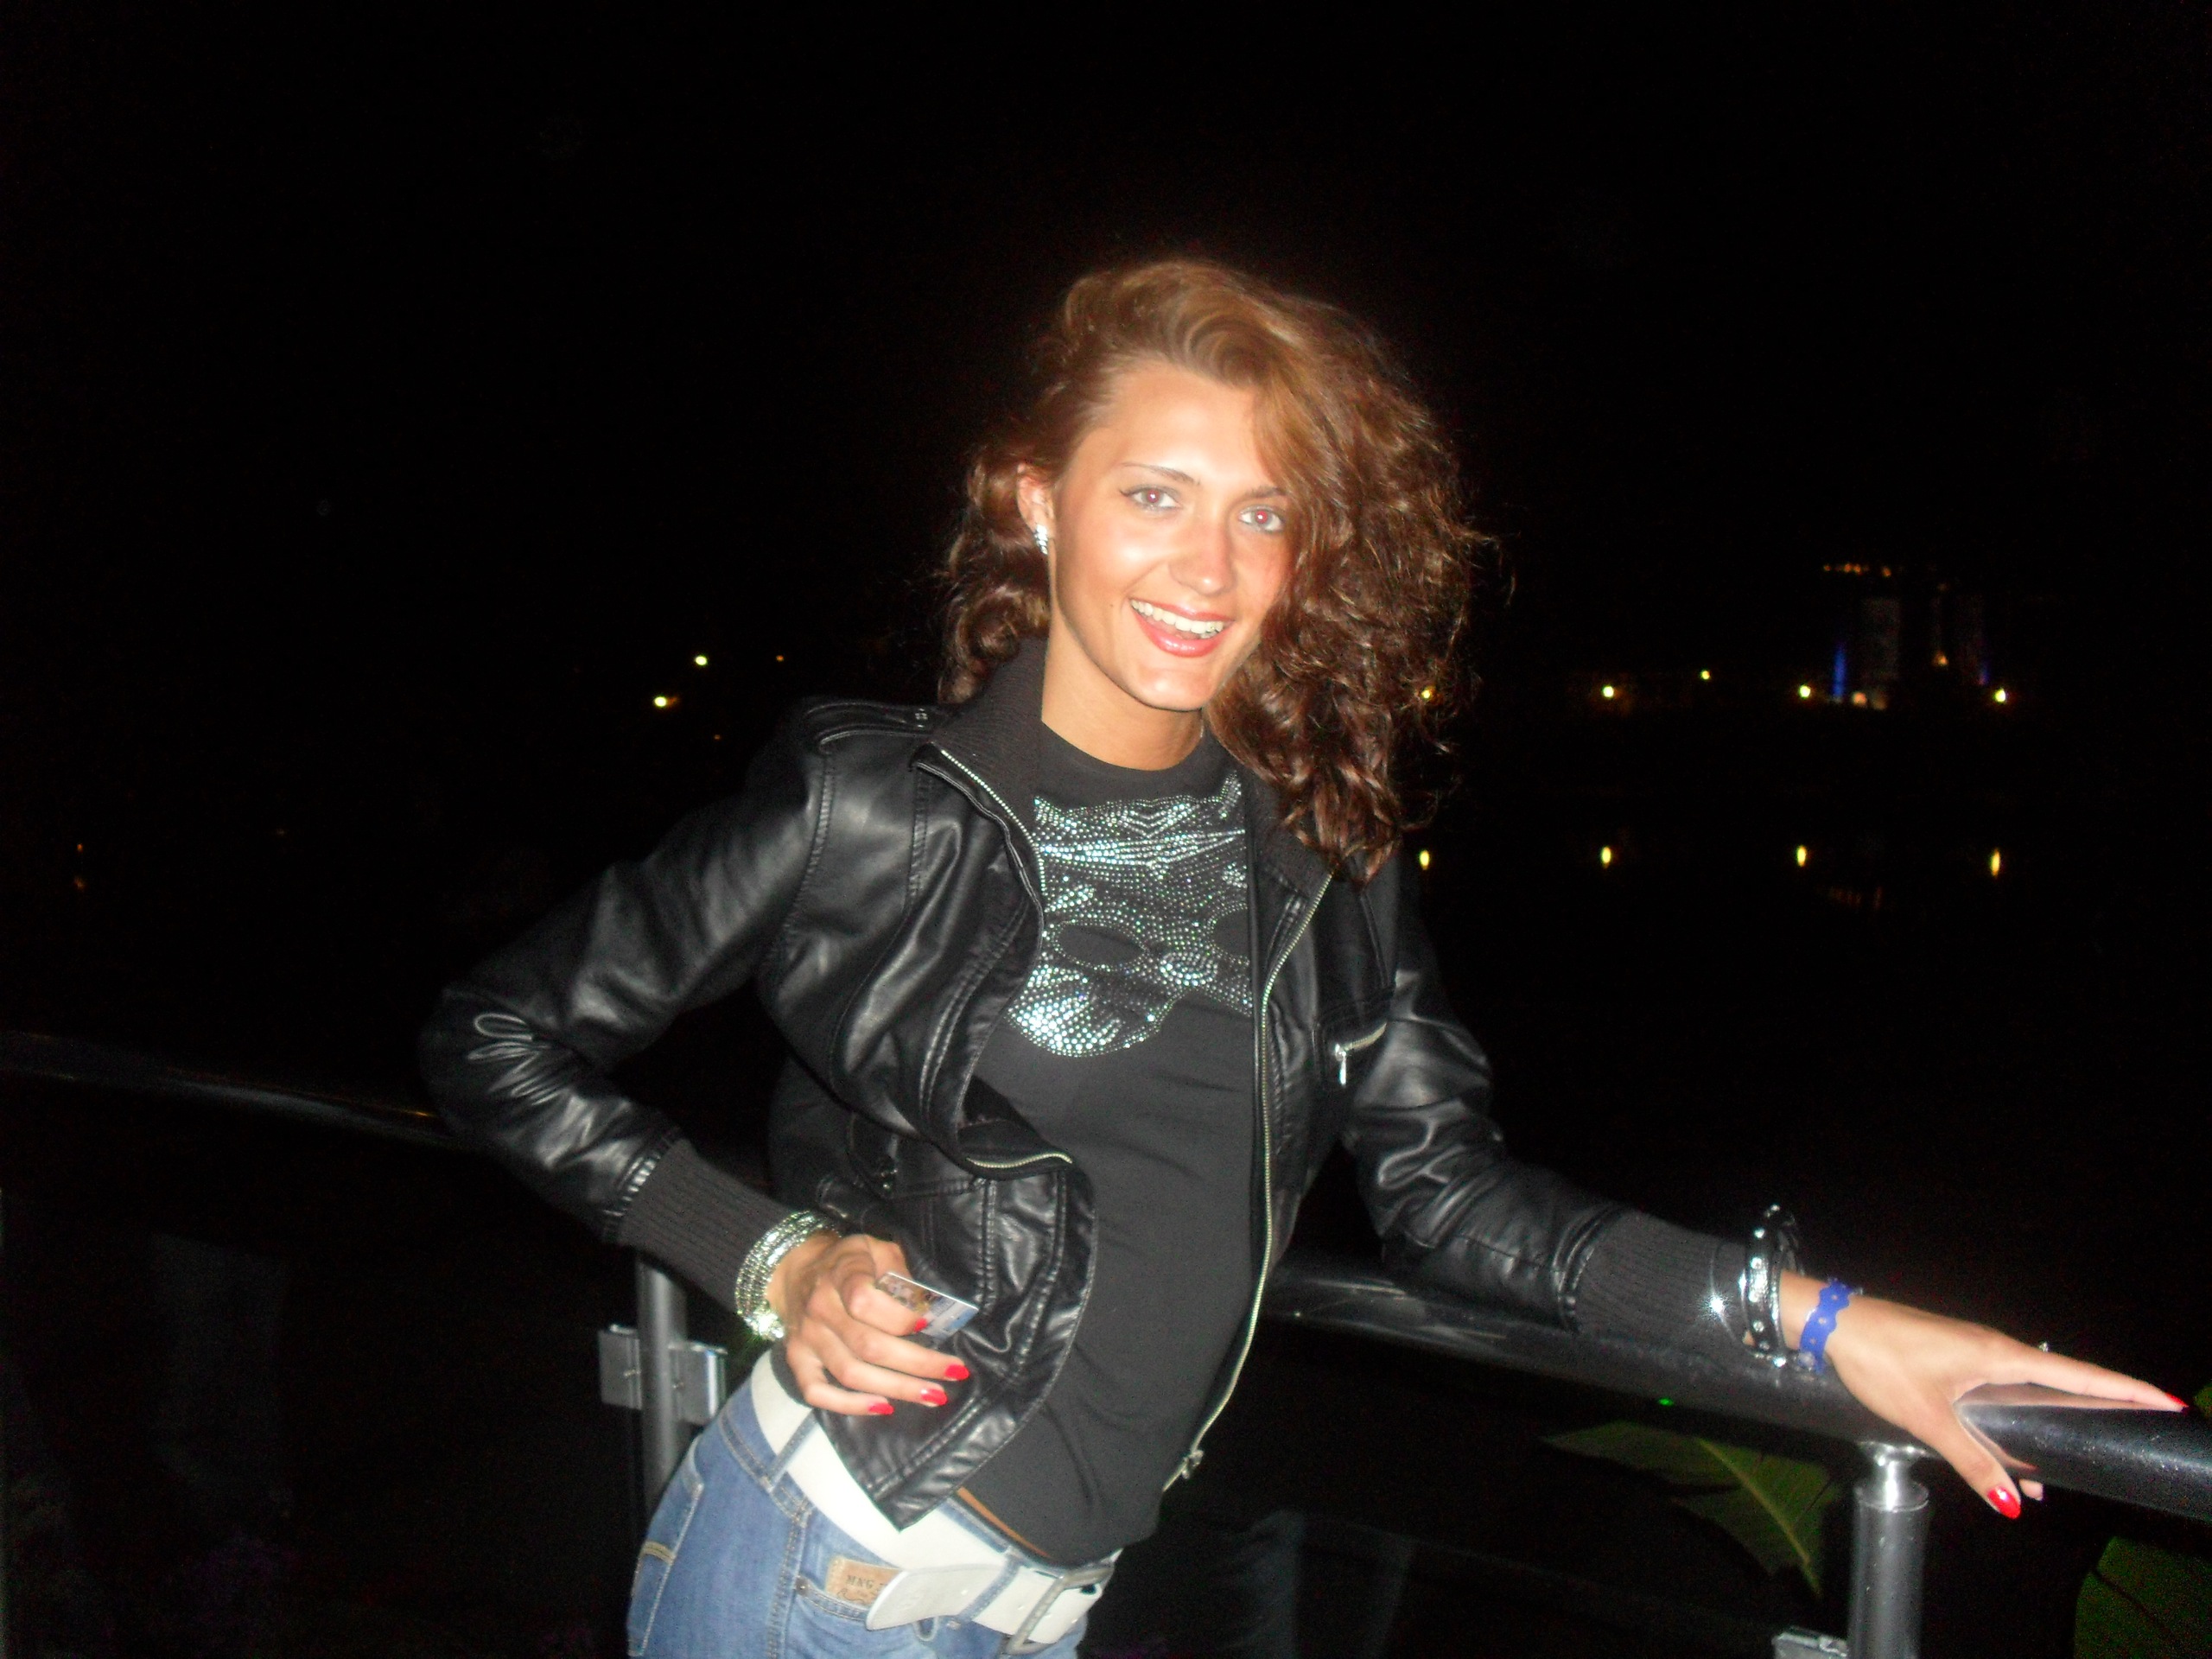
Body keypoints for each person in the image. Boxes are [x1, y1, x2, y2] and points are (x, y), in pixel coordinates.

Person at [419, 259, 2181, 1656]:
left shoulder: (1321, 849)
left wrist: (1820, 1320)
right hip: (818, 1576)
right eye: (1154, 494)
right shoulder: (869, 806)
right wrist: (768, 1254)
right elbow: (492, 1035)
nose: (1210, 567)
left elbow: (1452, 1199)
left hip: (1038, 1608)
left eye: (1261, 514)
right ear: (1036, 501)